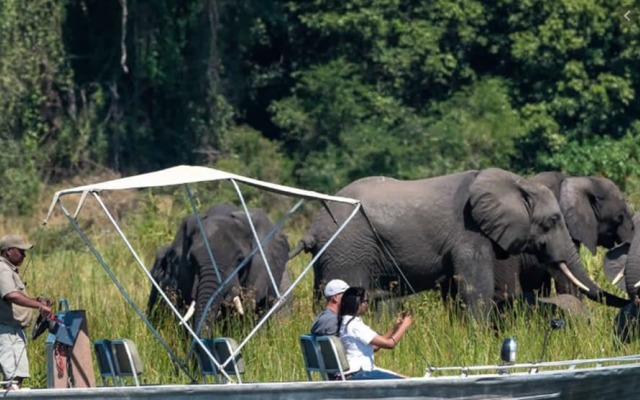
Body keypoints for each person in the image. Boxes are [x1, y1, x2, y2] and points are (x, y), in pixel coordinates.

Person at [0, 234, 52, 390]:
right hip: (7, 331)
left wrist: (37, 299)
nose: (24, 255)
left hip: (14, 331)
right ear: (9, 251)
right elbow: (11, 295)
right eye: (21, 251)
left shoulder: (9, 270)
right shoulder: (2, 269)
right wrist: (38, 306)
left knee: (18, 376)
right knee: (12, 380)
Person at [338, 286, 413, 380]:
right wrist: (405, 325)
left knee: (406, 378)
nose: (367, 305)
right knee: (403, 382)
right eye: (366, 301)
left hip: (357, 371)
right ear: (358, 303)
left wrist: (395, 327)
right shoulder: (355, 325)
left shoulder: (346, 322)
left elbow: (376, 347)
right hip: (360, 372)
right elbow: (390, 344)